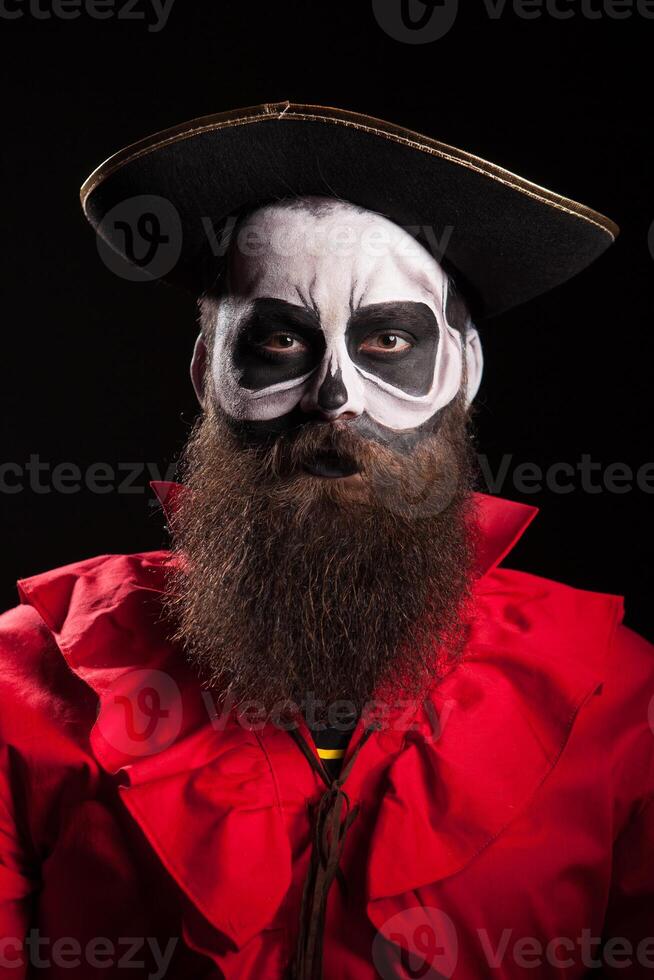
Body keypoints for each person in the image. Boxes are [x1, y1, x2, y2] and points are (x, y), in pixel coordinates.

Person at [0, 102, 651, 979]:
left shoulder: (618, 697)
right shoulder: (32, 676)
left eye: (388, 338)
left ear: (461, 370)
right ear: (207, 373)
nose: (335, 397)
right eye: (277, 339)